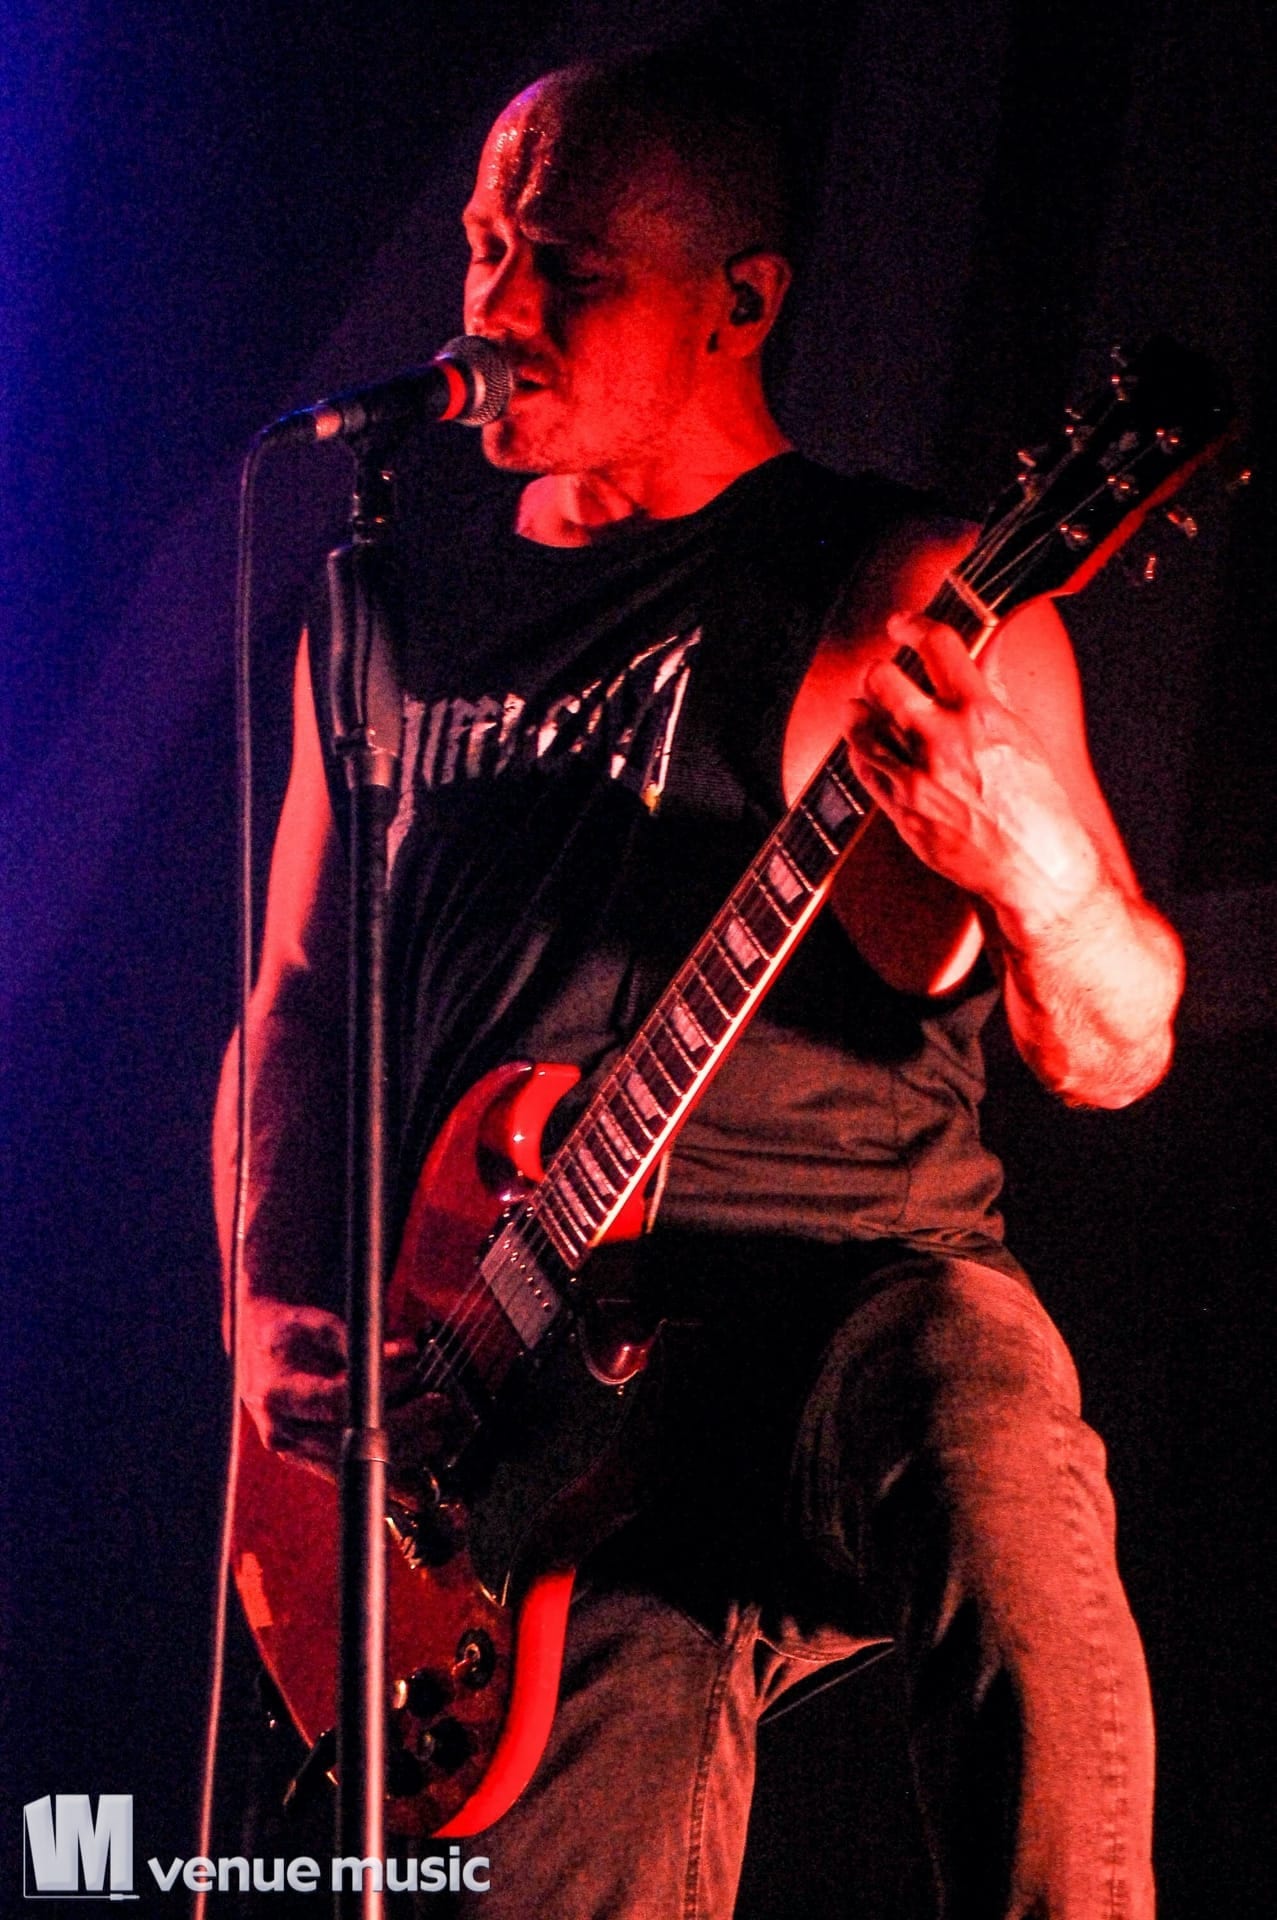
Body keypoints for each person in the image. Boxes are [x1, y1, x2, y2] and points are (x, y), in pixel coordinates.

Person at [214, 46, 1183, 1919]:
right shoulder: (387, 611)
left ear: (739, 303)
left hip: (839, 1287)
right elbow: (297, 1004)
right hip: (502, 1403)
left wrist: (1031, 867)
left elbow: (1116, 1039)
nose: (494, 308)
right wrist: (268, 1315)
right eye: (483, 246)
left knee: (995, 1460)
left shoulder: (897, 587)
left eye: (565, 270)